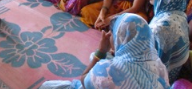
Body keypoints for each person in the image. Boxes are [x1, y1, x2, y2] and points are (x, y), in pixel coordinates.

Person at [40, 14, 170, 89]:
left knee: (48, 86)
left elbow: (83, 81)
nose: (108, 35)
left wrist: (101, 52)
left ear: (120, 37)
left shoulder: (110, 69)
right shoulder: (159, 65)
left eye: (112, 32)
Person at [148, 0, 189, 84]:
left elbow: (147, 65)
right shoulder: (180, 15)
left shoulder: (161, 28)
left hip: (157, 82)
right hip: (172, 77)